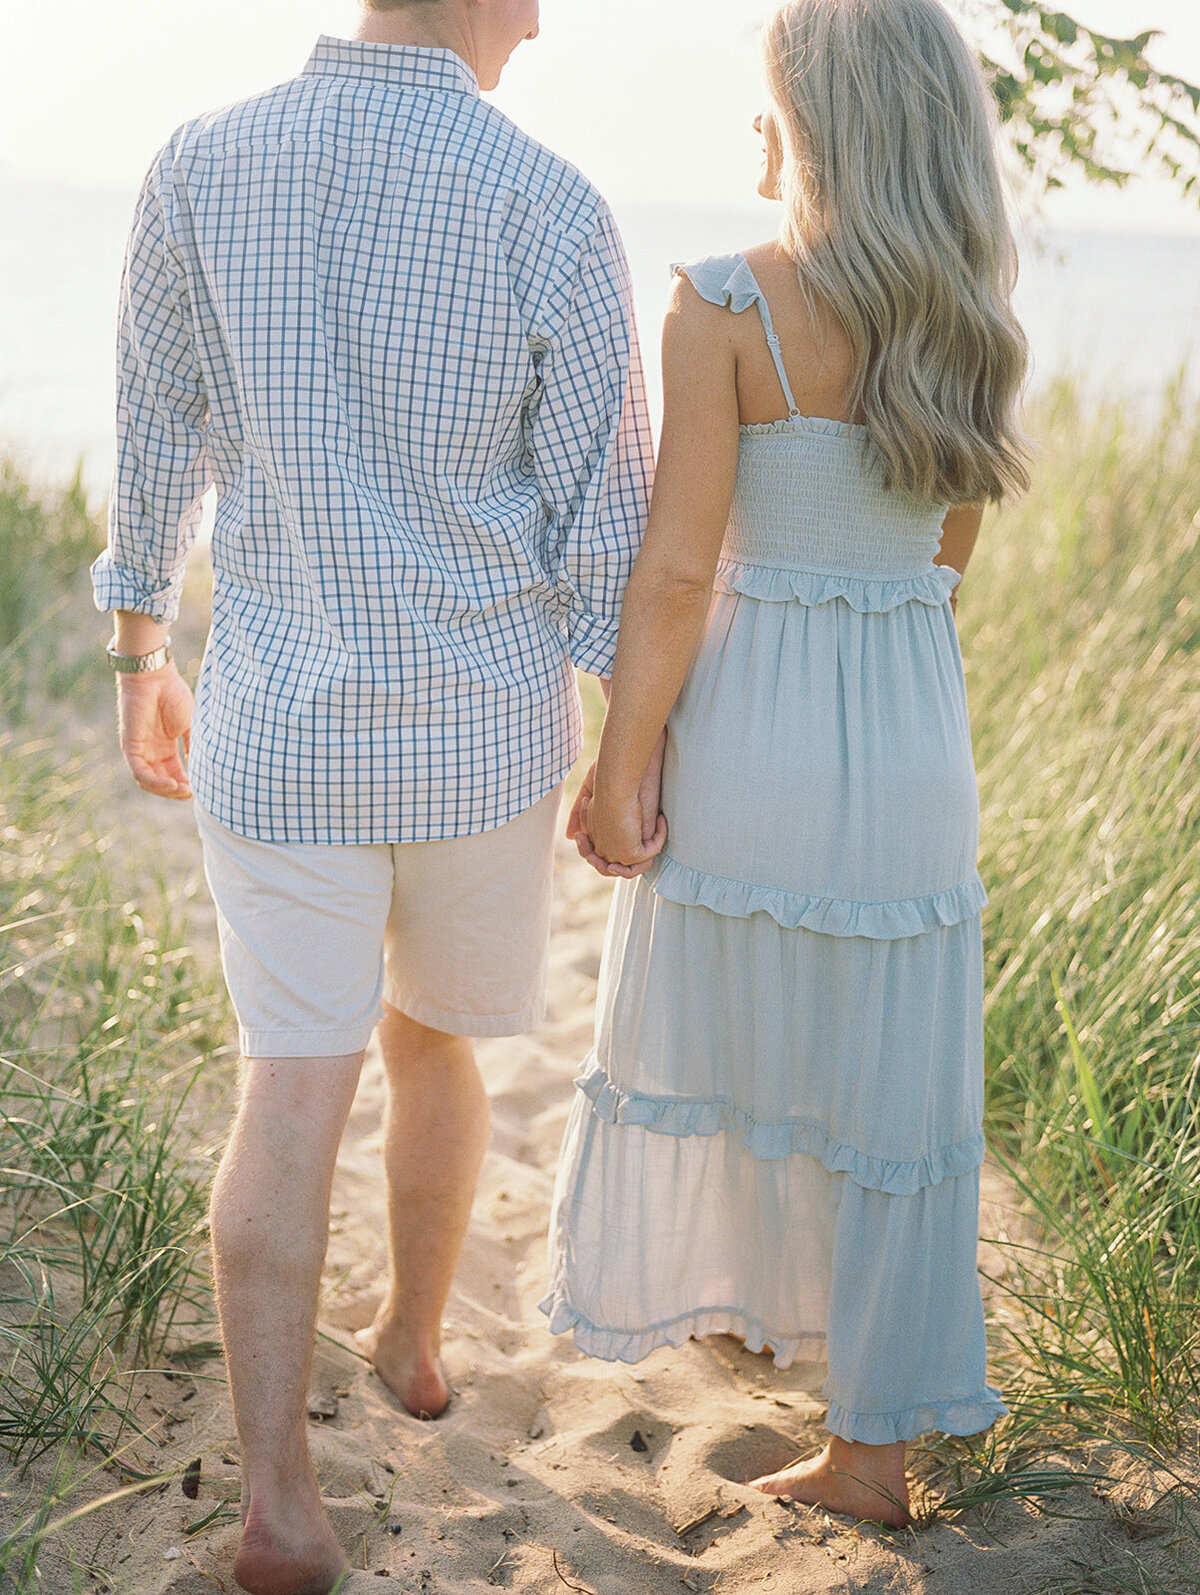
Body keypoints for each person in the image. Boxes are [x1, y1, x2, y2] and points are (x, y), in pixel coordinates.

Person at [91, 0, 653, 1588]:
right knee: (436, 1050)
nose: (544, 23)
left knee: (289, 1087)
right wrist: (627, 745)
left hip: (277, 733)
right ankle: (411, 1343)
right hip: (481, 740)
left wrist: (143, 644)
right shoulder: (548, 199)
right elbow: (602, 512)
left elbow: (153, 433)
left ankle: (280, 1504)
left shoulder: (200, 162)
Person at [542, 0, 1028, 1528]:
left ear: (816, 122)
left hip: (752, 730)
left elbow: (679, 574)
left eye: (769, 104)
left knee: (737, 1050)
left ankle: (752, 1308)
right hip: (906, 745)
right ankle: (871, 1456)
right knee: (891, 1097)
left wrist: (622, 759)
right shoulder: (976, 312)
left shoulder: (725, 304)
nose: (755, 130)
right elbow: (946, 560)